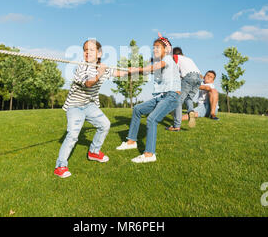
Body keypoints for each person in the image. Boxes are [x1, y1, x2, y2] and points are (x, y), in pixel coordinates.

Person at [54, 39, 128, 178]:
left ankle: (94, 152)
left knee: (105, 124)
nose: (88, 52)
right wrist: (100, 72)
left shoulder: (102, 68)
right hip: (75, 106)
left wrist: (140, 70)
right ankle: (60, 166)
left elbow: (121, 73)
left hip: (89, 105)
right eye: (85, 50)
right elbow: (89, 83)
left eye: (91, 50)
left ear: (99, 53)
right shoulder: (81, 67)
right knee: (73, 136)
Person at [116, 34, 181, 163]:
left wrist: (135, 70)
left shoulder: (168, 59)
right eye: (153, 48)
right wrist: (132, 71)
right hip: (162, 96)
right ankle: (131, 141)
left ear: (166, 49)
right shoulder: (160, 63)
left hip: (171, 96)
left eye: (158, 47)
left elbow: (152, 68)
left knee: (151, 119)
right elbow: (149, 70)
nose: (154, 50)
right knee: (138, 109)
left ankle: (149, 154)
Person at [166, 47, 202, 131]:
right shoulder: (189, 59)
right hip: (199, 78)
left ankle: (176, 126)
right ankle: (190, 111)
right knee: (188, 98)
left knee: (178, 100)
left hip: (189, 76)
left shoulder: (176, 57)